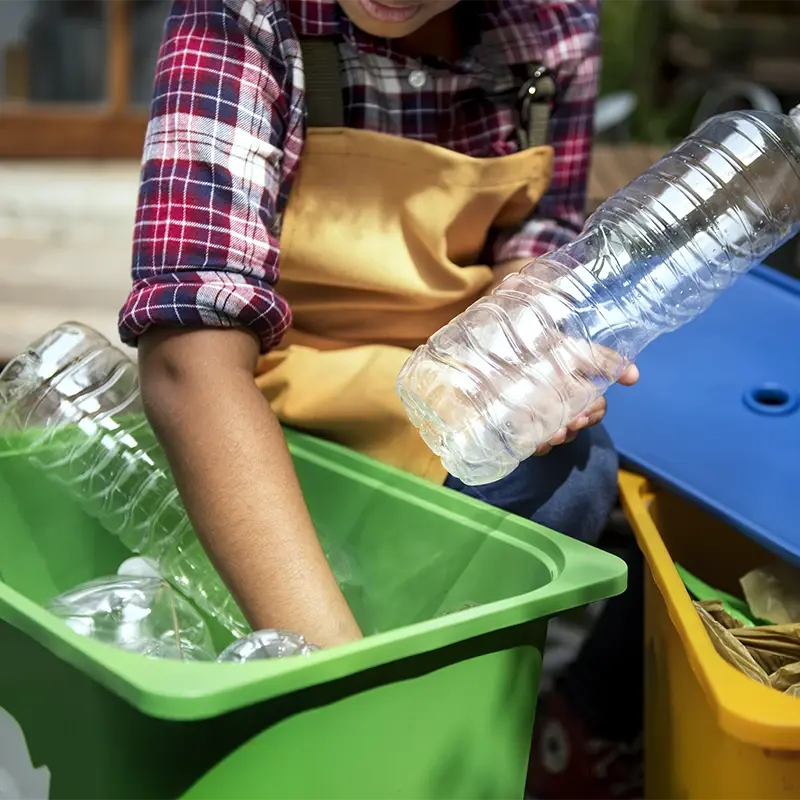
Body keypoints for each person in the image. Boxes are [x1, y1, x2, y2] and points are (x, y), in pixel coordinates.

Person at [119, 0, 641, 796]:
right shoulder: (245, 16)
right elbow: (189, 362)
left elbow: (537, 236)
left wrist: (531, 338)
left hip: (434, 399)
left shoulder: (552, 26)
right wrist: (341, 689)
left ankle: (448, 728)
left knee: (573, 473)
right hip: (267, 410)